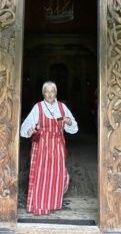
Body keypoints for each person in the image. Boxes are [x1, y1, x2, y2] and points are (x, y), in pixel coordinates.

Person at [20, 81, 78, 215]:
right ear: (43, 93)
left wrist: (69, 122)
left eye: (52, 91)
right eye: (47, 91)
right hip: (41, 145)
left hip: (57, 144)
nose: (50, 94)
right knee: (41, 174)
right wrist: (29, 129)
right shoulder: (38, 107)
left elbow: (73, 128)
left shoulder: (62, 107)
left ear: (56, 92)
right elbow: (27, 123)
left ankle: (52, 203)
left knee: (56, 174)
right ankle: (39, 205)